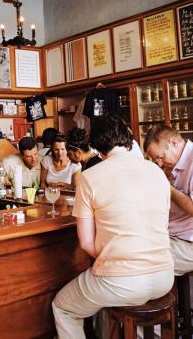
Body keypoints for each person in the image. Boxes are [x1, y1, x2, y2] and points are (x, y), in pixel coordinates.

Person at [52, 114, 174, 339]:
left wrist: (115, 257)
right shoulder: (157, 172)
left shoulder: (89, 178)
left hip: (120, 282)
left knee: (63, 307)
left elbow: (87, 243)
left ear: (97, 146)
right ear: (128, 138)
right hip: (165, 276)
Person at [144, 125, 193, 276]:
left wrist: (168, 188)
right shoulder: (173, 164)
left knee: (140, 262)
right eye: (155, 160)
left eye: (160, 157)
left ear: (173, 143)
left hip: (188, 242)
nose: (159, 163)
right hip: (172, 234)